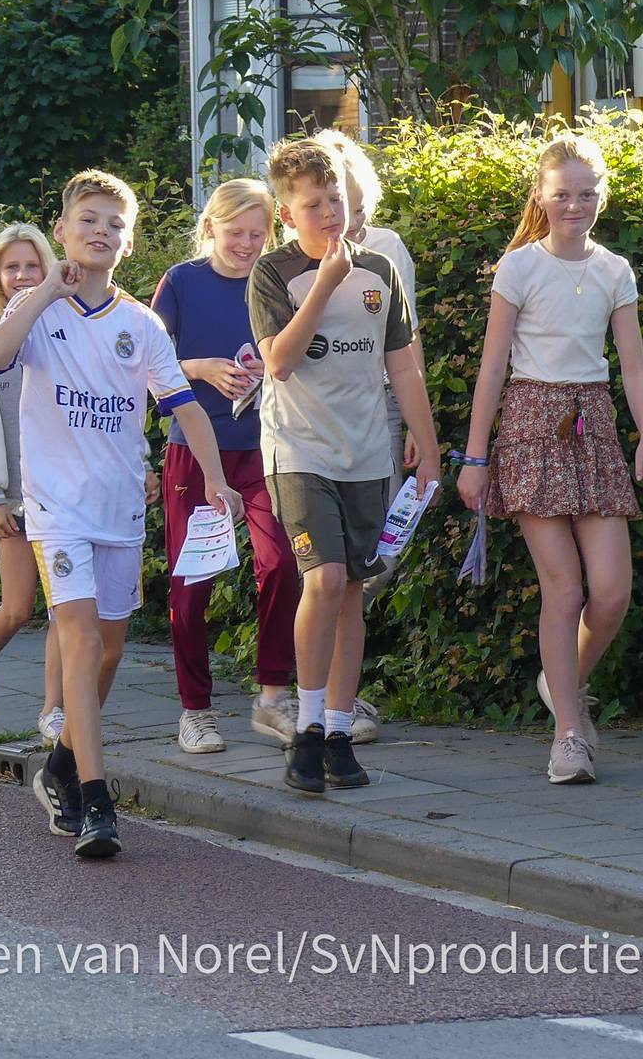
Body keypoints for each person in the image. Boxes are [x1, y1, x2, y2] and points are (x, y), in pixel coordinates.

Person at [0, 169, 242, 859]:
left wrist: (215, 478)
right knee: (82, 639)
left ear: (128, 242)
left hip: (120, 507)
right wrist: (41, 295)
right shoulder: (38, 310)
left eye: (115, 224)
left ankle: (61, 766)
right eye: (88, 220)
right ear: (63, 229)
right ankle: (99, 805)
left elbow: (183, 405)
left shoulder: (142, 324)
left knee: (113, 649)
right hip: (56, 509)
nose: (101, 232)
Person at [455, 134, 643, 785]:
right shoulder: (519, 268)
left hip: (594, 424)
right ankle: (569, 734)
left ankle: (562, 682)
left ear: (601, 196)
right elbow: (492, 367)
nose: (575, 205)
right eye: (562, 194)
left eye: (587, 193)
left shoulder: (614, 270)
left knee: (611, 593)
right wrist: (475, 456)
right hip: (529, 426)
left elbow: (632, 365)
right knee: (565, 588)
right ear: (542, 198)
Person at [250, 137, 440, 796]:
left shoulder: (380, 273)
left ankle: (336, 731)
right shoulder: (273, 274)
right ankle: (303, 729)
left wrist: (429, 447)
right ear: (286, 215)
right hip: (299, 452)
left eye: (336, 201)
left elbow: (404, 366)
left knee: (353, 587)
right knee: (324, 578)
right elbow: (278, 360)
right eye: (313, 205)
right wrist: (324, 282)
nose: (329, 214)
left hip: (365, 454)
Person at [151, 178, 299, 754]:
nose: (246, 244)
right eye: (235, 232)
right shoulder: (183, 282)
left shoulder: (278, 281)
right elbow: (146, 363)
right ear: (210, 226)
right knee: (192, 584)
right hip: (194, 449)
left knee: (283, 564)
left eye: (257, 234)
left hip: (267, 447)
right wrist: (202, 367)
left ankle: (271, 695)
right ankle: (195, 710)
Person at [0, 223, 65, 747]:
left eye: (31, 265)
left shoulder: (69, 331)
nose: (22, 275)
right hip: (17, 498)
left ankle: (54, 710)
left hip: (67, 494)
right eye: (11, 267)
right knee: (19, 608)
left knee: (66, 608)